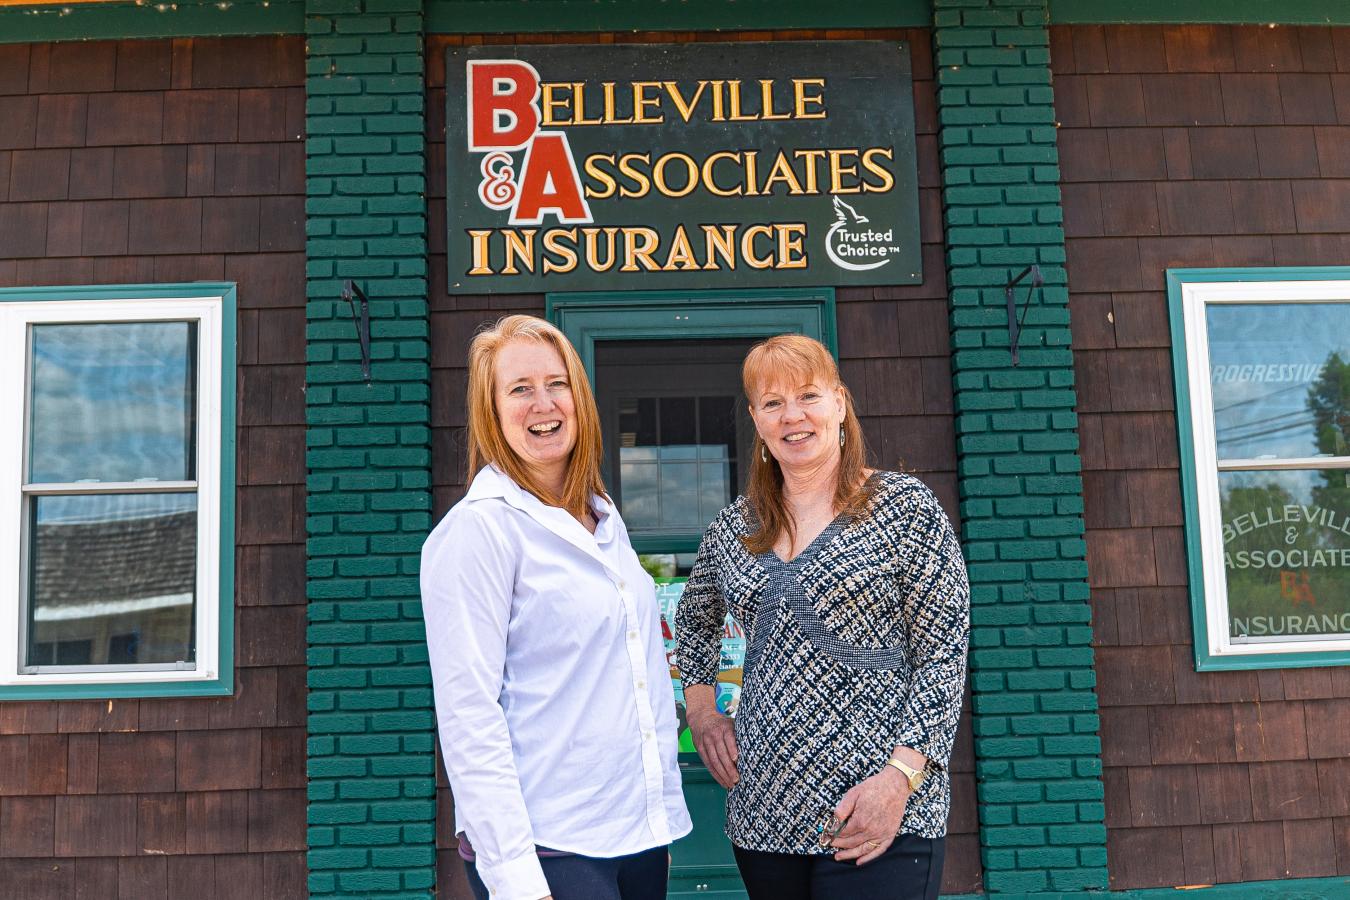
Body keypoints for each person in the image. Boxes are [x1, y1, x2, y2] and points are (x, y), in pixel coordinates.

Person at [674, 333, 969, 900]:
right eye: (773, 403)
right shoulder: (735, 527)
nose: (793, 416)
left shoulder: (905, 509)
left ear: (839, 402)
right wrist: (703, 712)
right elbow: (693, 621)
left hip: (880, 808)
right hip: (765, 814)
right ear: (757, 421)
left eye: (808, 396)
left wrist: (900, 779)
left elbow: (942, 652)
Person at [421, 315, 691, 900]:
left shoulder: (602, 517)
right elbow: (469, 714)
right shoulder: (480, 531)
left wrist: (658, 821)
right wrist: (515, 875)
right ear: (491, 411)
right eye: (519, 389)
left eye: (557, 383)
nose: (543, 403)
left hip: (636, 835)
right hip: (550, 846)